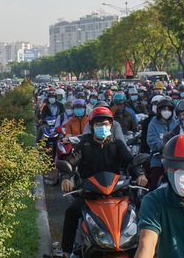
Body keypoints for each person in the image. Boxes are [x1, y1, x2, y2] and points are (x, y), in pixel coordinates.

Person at [58, 107, 147, 257]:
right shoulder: (83, 144)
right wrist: (66, 177)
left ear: (111, 125)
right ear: (92, 126)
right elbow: (71, 163)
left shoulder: (117, 144)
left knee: (143, 207)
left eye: (105, 124)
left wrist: (140, 174)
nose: (102, 127)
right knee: (71, 212)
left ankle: (147, 246)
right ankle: (65, 252)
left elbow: (130, 163)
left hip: (117, 192)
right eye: (98, 124)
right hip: (89, 193)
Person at [146, 96, 177, 190]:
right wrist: (166, 146)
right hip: (158, 160)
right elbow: (152, 142)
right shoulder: (153, 124)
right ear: (159, 111)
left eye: (169, 109)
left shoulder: (176, 123)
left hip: (175, 160)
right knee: (154, 183)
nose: (166, 111)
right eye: (164, 109)